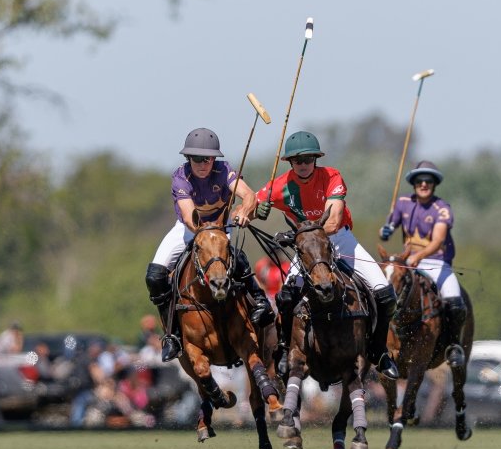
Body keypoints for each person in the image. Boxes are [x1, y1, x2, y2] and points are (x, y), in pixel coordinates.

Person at [254, 130, 399, 379]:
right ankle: (285, 349)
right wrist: (255, 208)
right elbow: (245, 205)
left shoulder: (331, 176)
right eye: (297, 160)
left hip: (339, 239)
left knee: (385, 294)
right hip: (309, 249)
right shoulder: (279, 186)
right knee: (286, 298)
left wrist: (300, 234)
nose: (303, 165)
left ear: (316, 160)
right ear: (290, 162)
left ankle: (379, 351)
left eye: (308, 159)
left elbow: (332, 221)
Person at [145, 127, 275, 362]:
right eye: (197, 159)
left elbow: (248, 195)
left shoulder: (224, 171)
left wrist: (245, 212)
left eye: (208, 158)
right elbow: (188, 216)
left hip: (219, 231)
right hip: (189, 231)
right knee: (154, 276)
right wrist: (205, 233)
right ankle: (172, 334)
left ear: (215, 158)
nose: (203, 164)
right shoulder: (181, 177)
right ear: (188, 158)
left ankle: (261, 304)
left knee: (240, 261)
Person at [378, 160, 467, 368]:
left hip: (436, 263)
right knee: (381, 292)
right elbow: (391, 223)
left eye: (428, 181)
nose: (423, 184)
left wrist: (419, 256)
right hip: (407, 264)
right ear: (414, 183)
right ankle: (375, 341)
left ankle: (453, 346)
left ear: (434, 184)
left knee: (455, 301)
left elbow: (437, 241)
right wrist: (387, 230)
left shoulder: (442, 208)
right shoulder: (403, 203)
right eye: (419, 180)